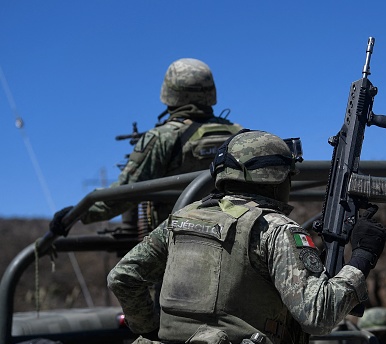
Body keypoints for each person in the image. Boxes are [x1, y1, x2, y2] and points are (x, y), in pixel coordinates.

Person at [106, 130, 386, 344]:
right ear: (278, 178)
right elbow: (317, 315)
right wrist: (362, 258)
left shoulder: (179, 221)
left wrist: (150, 330)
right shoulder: (274, 228)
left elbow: (123, 276)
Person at [50, 58, 242, 236]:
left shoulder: (162, 138)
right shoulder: (240, 135)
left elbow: (123, 194)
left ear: (169, 93)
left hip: (177, 242)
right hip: (234, 237)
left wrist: (77, 214)